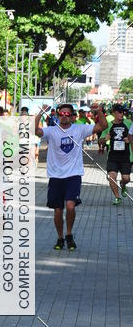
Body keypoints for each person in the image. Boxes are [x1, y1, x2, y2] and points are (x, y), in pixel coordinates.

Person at [35, 103, 107, 250]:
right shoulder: (52, 130)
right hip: (55, 176)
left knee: (70, 206)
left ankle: (69, 234)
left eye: (68, 114)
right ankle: (60, 237)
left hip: (73, 175)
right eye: (62, 114)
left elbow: (103, 126)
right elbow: (34, 130)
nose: (64, 116)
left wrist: (99, 111)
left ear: (72, 117)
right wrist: (41, 112)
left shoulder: (79, 129)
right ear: (58, 115)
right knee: (57, 211)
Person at [105, 104, 132, 204]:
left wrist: (129, 139)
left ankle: (123, 185)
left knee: (126, 178)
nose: (122, 114)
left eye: (123, 112)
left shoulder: (128, 123)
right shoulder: (108, 124)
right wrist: (105, 139)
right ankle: (117, 197)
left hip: (125, 156)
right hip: (112, 156)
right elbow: (100, 140)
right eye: (120, 112)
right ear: (114, 113)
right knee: (111, 177)